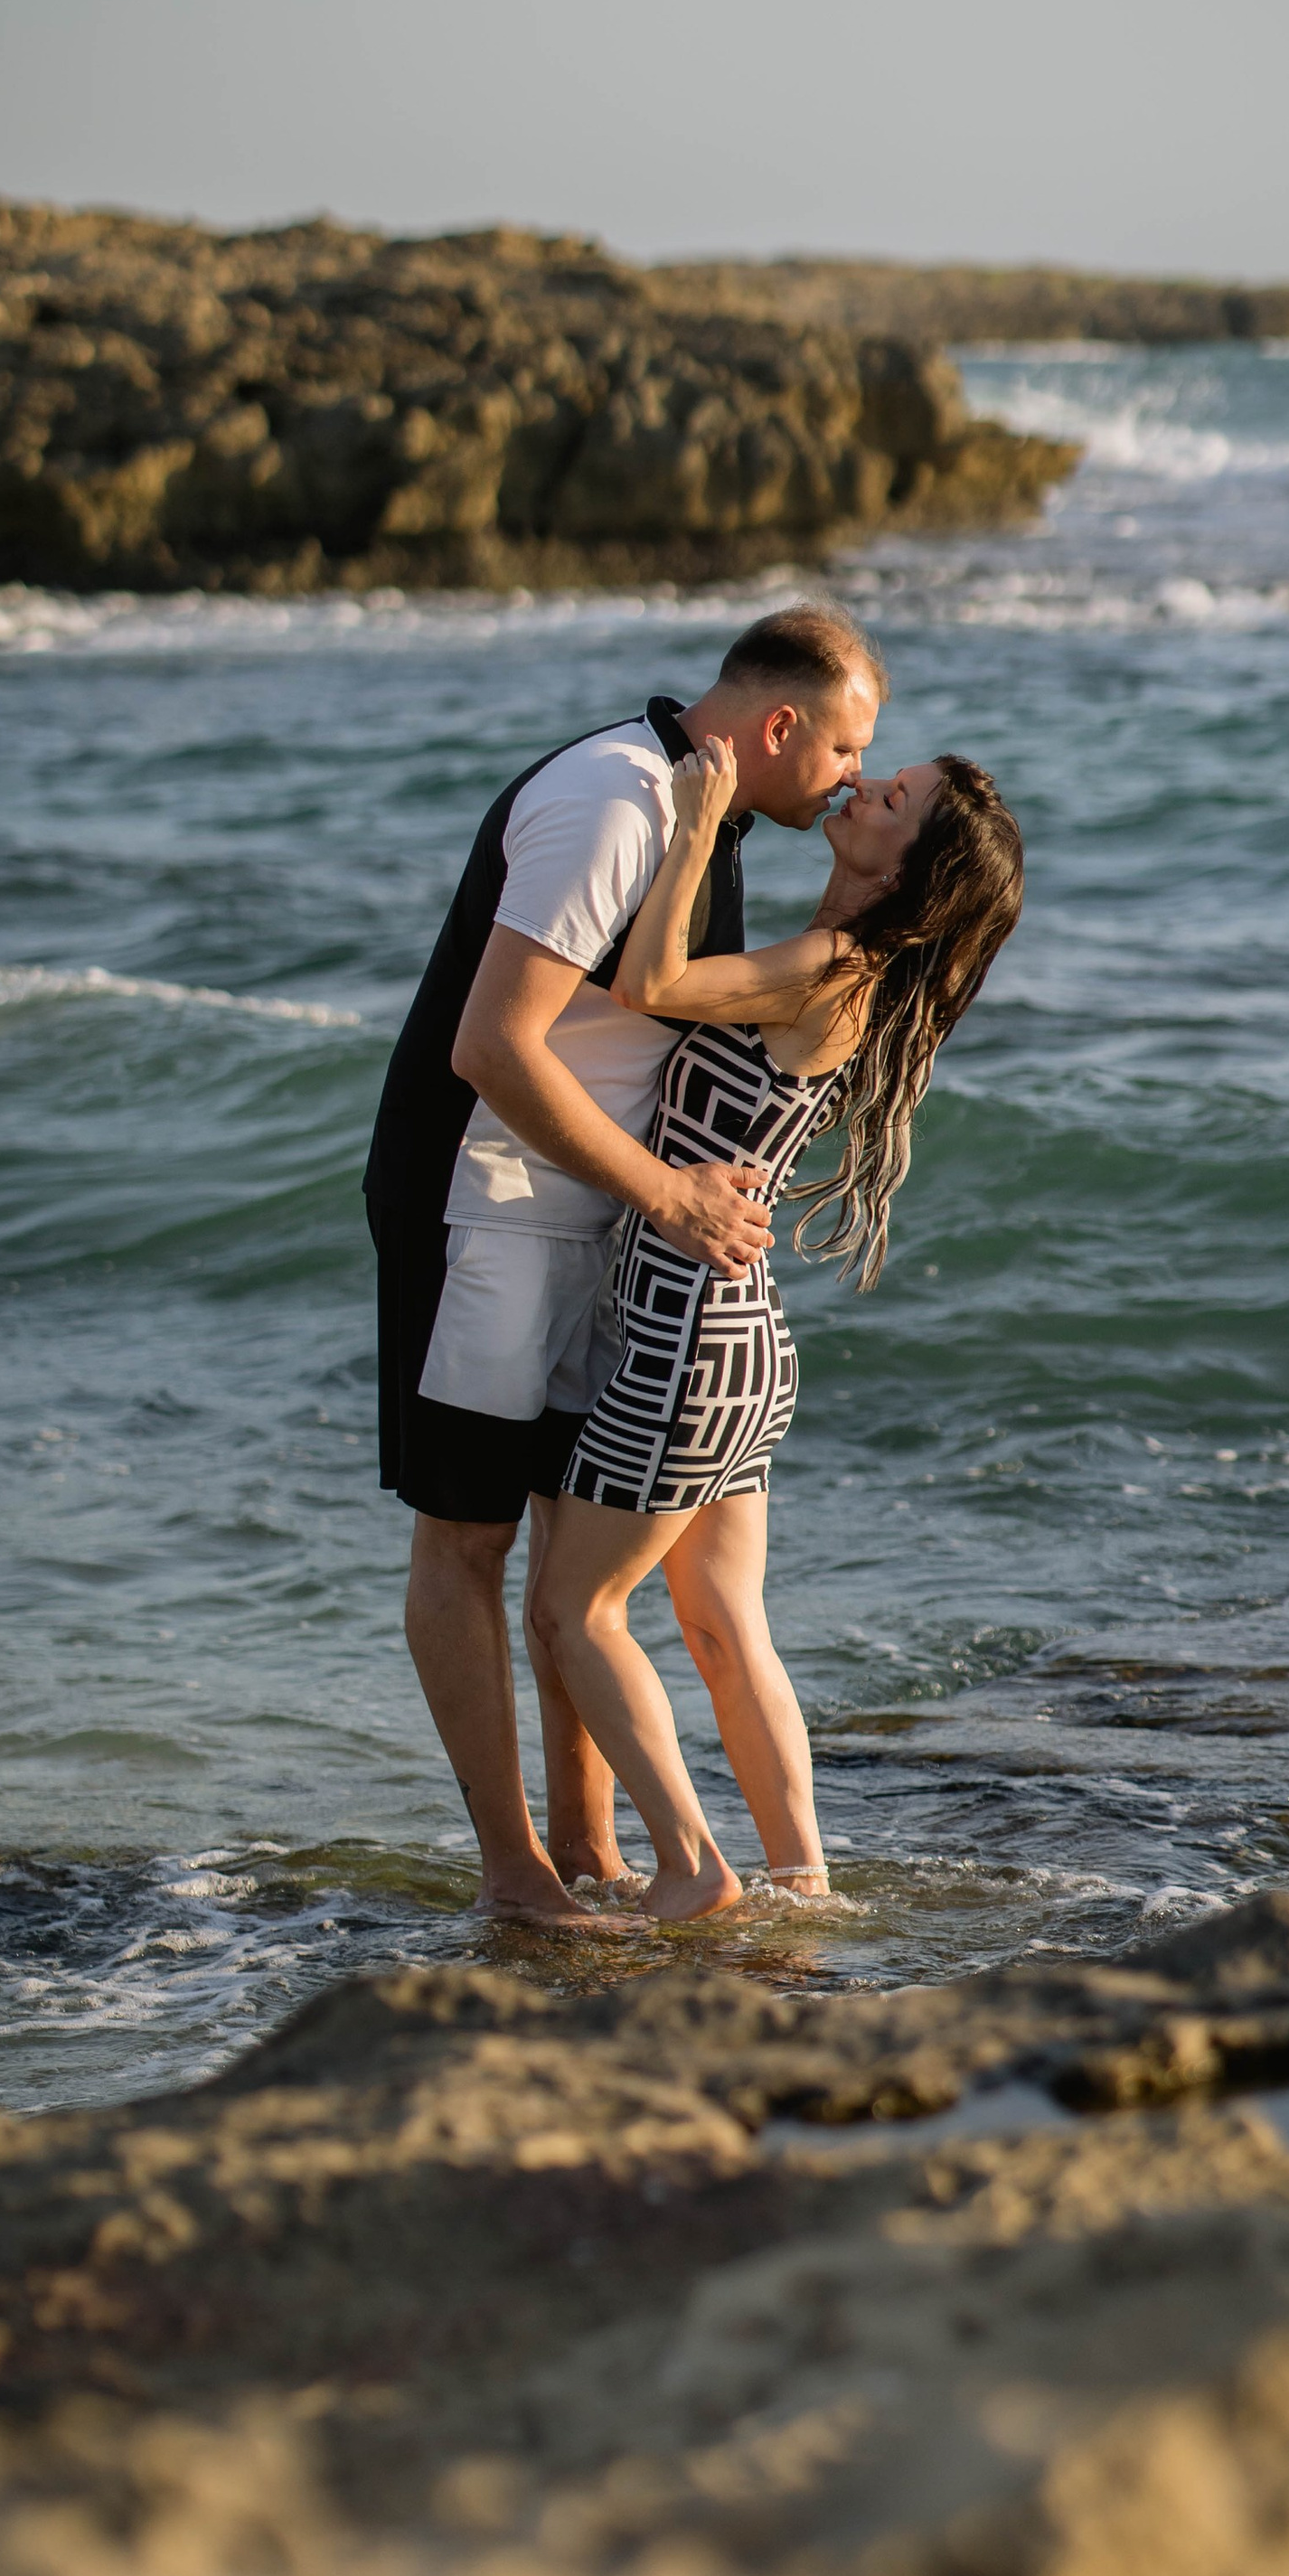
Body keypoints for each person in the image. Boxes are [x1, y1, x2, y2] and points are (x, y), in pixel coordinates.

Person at [363, 605, 887, 1929]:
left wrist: (650, 1204)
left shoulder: (703, 814)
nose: (849, 780)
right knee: (467, 1538)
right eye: (844, 750)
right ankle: (515, 1875)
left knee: (560, 1545)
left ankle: (591, 1846)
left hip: (592, 1218)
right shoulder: (615, 798)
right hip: (480, 1209)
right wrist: (665, 1192)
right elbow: (494, 1044)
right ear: (780, 725)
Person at [532, 729, 1024, 1922]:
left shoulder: (827, 968)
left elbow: (649, 988)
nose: (867, 781)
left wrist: (699, 820)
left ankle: (694, 1871)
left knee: (574, 1610)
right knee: (719, 1621)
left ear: (911, 866)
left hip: (686, 1333)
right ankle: (804, 1885)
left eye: (895, 794)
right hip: (739, 1340)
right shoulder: (844, 971)